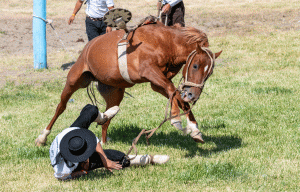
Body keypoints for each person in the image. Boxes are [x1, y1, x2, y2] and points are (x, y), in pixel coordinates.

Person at [49, 104, 170, 180]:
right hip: (77, 165)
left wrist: (105, 160)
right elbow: (66, 177)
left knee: (90, 110)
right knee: (117, 157)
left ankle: (102, 118)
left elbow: (94, 140)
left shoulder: (68, 134)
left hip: (75, 140)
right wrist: (83, 170)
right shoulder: (62, 170)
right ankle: (150, 159)